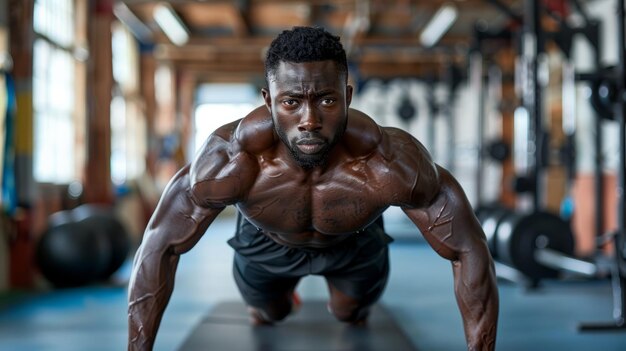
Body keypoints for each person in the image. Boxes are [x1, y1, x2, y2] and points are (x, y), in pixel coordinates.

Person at [128, 26, 498, 351]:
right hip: (265, 242)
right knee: (269, 314)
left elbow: (468, 249)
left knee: (349, 313)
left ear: (347, 97)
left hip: (354, 242)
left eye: (326, 100)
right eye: (291, 101)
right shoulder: (231, 162)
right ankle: (274, 300)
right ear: (269, 100)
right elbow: (159, 247)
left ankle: (348, 304)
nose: (309, 121)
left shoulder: (388, 164)